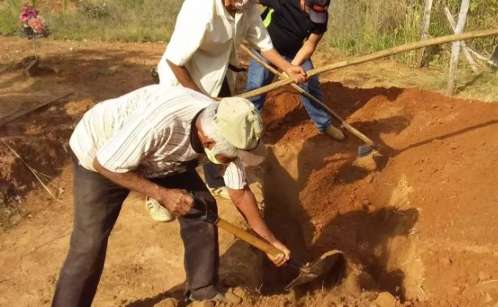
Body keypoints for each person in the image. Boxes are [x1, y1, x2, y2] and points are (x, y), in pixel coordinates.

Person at [52, 84, 290, 306]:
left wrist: (270, 241)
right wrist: (161, 194)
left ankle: (203, 290)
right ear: (208, 140)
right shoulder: (162, 122)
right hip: (101, 155)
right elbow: (105, 163)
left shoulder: (227, 129)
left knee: (201, 207)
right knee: (89, 244)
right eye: (231, 155)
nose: (233, 159)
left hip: (158, 158)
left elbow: (239, 194)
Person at [148, 0, 309, 222]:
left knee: (220, 132)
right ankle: (155, 194)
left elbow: (264, 44)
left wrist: (287, 67)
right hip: (183, 79)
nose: (243, 4)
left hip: (218, 74)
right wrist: (200, 100)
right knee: (178, 138)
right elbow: (175, 61)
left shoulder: (246, 6)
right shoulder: (201, 9)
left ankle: (215, 182)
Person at [245, 0, 344, 141]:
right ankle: (248, 131)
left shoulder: (321, 17)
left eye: (318, 13)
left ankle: (324, 124)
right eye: (310, 10)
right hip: (266, 50)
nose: (312, 15)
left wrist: (291, 67)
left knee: (310, 83)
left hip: (294, 52)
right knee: (256, 86)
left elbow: (310, 44)